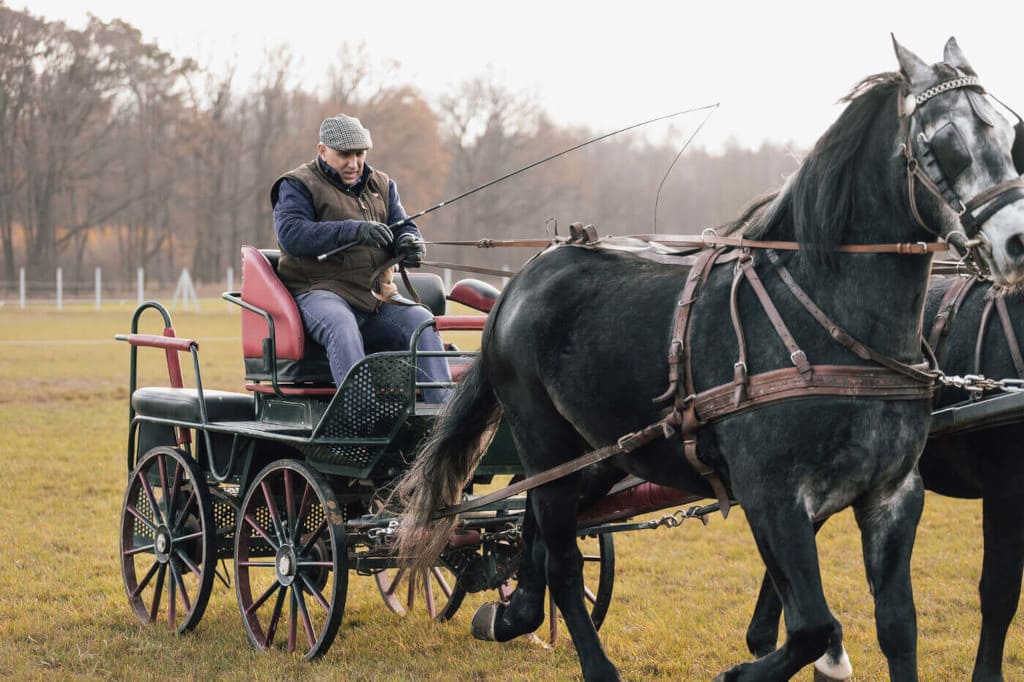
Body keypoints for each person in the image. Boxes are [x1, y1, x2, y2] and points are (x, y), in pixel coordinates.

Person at [270, 113, 451, 402]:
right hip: (320, 292)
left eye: (359, 154)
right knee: (341, 324)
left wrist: (409, 242)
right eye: (344, 155)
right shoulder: (297, 184)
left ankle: (444, 422)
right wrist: (354, 231)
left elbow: (403, 224)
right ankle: (361, 415)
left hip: (378, 296)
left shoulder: (382, 184)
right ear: (322, 150)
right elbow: (291, 235)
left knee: (422, 320)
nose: (353, 163)